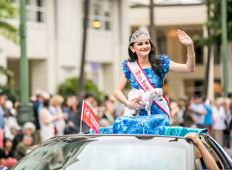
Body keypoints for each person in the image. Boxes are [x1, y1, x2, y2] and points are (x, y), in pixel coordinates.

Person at [101, 29, 195, 134]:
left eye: (147, 43)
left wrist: (189, 46)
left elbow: (189, 68)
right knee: (119, 124)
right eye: (140, 44)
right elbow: (117, 91)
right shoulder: (130, 66)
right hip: (137, 113)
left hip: (158, 114)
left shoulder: (161, 62)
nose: (145, 46)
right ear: (132, 48)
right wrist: (128, 104)